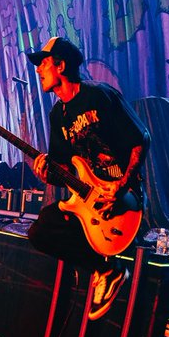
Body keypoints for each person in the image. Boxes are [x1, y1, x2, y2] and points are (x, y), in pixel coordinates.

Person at [23, 36, 149, 320]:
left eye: (43, 63)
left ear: (61, 65)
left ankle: (109, 269)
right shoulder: (58, 115)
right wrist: (47, 171)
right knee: (41, 230)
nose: (38, 70)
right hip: (89, 201)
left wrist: (123, 185)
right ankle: (107, 270)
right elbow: (65, 172)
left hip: (123, 198)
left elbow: (141, 138)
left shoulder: (99, 95)